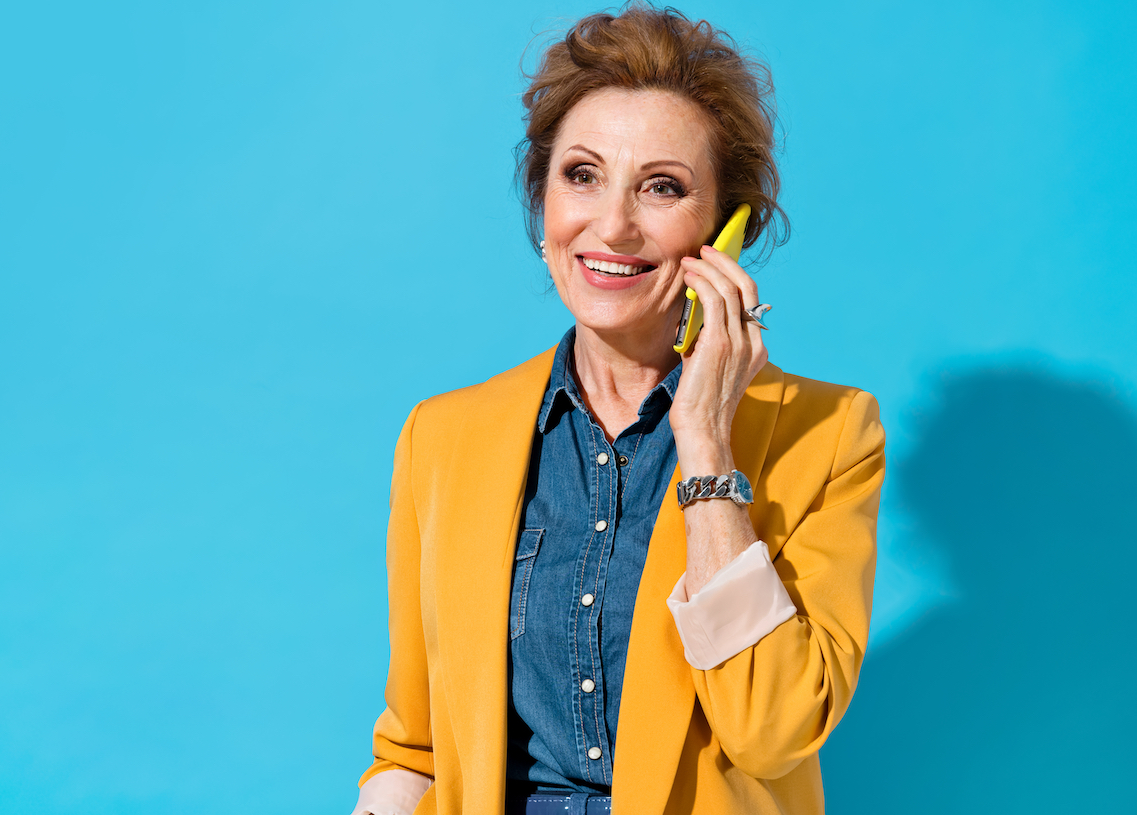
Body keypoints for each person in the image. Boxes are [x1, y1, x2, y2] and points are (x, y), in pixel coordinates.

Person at [352, 5, 885, 814]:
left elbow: (772, 729)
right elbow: (415, 746)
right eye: (582, 175)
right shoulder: (445, 436)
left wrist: (706, 446)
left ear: (726, 230)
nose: (612, 225)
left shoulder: (828, 434)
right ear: (543, 206)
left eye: (662, 187)